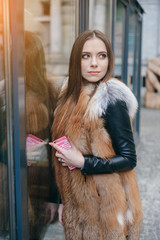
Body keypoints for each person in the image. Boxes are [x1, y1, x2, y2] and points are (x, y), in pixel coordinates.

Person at [50, 30, 143, 240]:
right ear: (76, 60)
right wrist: (64, 201)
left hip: (107, 213)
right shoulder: (68, 98)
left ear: (109, 60)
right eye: (86, 56)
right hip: (80, 212)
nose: (94, 63)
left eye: (102, 56)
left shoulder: (110, 98)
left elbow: (129, 159)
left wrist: (83, 162)